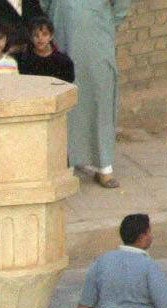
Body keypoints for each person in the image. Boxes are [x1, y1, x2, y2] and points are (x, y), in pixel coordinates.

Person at [52, 0, 125, 183]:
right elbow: (46, 5)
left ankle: (104, 164)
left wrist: (101, 23)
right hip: (64, 36)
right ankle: (68, 160)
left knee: (100, 98)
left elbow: (121, 8)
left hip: (97, 40)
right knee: (67, 97)